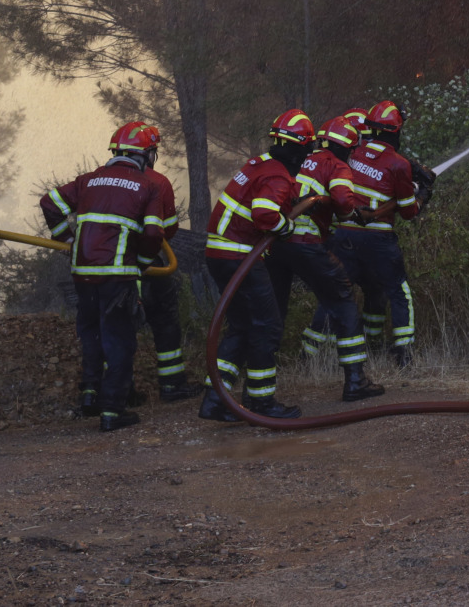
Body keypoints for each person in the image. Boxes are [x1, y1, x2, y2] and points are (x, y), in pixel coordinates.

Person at [41, 132, 167, 433]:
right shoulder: (148, 185)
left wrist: (68, 239)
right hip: (117, 275)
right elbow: (152, 234)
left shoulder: (88, 180)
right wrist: (144, 264)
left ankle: (90, 395)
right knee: (119, 339)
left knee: (92, 334)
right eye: (153, 153)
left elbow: (50, 202)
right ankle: (112, 410)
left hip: (83, 274)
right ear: (144, 155)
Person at [200, 111, 313, 421]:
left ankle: (215, 400)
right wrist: (288, 228)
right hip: (239, 256)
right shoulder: (276, 174)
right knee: (267, 326)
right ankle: (262, 403)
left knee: (242, 326)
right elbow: (264, 213)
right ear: (300, 147)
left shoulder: (260, 164)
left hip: (222, 255)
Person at [267, 116, 384, 401]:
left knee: (272, 310)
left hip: (274, 243)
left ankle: (255, 384)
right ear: (346, 147)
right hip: (304, 241)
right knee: (343, 299)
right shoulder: (336, 164)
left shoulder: (302, 158)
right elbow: (343, 201)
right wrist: (350, 213)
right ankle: (355, 380)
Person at [117, 122, 204, 403]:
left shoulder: (99, 180)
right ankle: (171, 385)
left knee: (116, 327)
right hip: (149, 262)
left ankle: (117, 390)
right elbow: (168, 228)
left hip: (109, 264)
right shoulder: (158, 182)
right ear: (148, 154)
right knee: (165, 321)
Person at [335, 100, 422, 367]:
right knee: (398, 291)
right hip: (378, 238)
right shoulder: (398, 163)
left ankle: (313, 353)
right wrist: (419, 195)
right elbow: (409, 212)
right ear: (395, 131)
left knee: (341, 293)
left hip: (344, 236)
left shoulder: (353, 153)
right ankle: (404, 352)